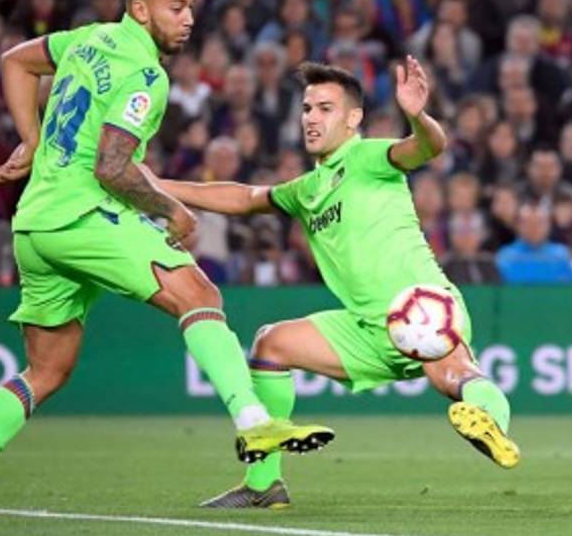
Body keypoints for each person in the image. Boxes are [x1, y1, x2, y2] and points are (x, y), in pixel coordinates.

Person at [0, 0, 331, 518]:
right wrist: (173, 210)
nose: (188, 20)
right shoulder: (145, 73)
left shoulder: (86, 40)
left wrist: (32, 140)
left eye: (191, 8)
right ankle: (254, 424)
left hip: (35, 224)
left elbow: (15, 63)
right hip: (83, 215)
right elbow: (112, 167)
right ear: (140, 9)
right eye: (176, 8)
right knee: (200, 296)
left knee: (47, 370)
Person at [154, 58, 519, 509]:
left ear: (353, 118)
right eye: (307, 108)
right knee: (271, 344)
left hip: (420, 305)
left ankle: (490, 424)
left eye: (325, 108)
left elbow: (426, 148)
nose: (310, 118)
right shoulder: (306, 189)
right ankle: (264, 485)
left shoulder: (368, 158)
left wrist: (418, 116)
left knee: (455, 377)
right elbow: (245, 198)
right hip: (364, 328)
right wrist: (157, 184)